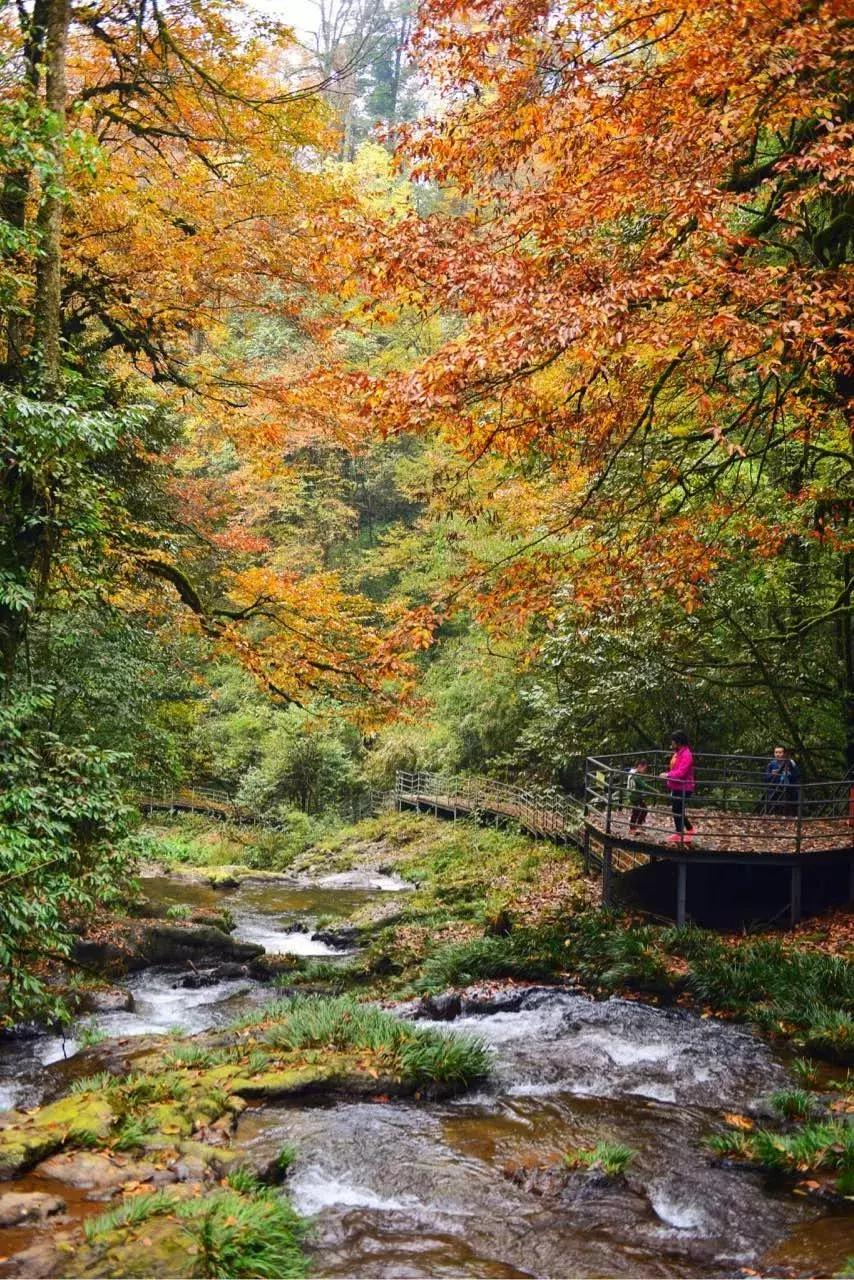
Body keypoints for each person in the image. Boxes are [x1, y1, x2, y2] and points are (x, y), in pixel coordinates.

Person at [660, 731, 695, 842]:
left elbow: (681, 773)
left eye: (673, 741)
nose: (671, 743)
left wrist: (667, 775)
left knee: (677, 809)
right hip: (677, 786)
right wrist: (668, 775)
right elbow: (675, 768)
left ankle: (680, 833)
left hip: (684, 787)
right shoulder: (679, 753)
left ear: (678, 742)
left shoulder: (686, 755)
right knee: (678, 809)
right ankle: (689, 830)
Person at [763, 746, 801, 817]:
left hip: (789, 787)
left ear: (784, 753)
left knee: (794, 794)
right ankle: (773, 814)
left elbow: (797, 775)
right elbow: (765, 778)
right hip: (774, 788)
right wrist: (772, 774)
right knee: (773, 795)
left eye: (780, 752)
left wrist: (788, 773)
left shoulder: (791, 762)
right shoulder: (771, 764)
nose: (778, 754)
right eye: (776, 752)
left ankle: (793, 815)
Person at [626, 760, 650, 832]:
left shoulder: (632, 772)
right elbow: (644, 785)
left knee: (641, 809)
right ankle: (633, 827)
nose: (645, 770)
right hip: (634, 795)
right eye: (644, 768)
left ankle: (637, 825)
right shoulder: (636, 775)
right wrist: (656, 791)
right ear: (639, 766)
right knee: (637, 810)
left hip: (634, 794)